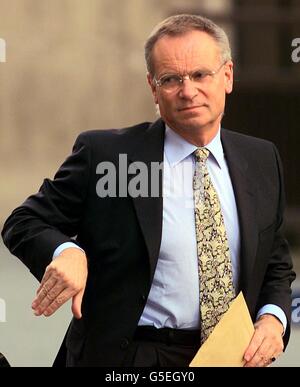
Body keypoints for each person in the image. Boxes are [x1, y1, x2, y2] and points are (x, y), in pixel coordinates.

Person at [1, 14, 295, 367]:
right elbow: (24, 221)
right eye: (171, 79)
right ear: (153, 88)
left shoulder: (261, 158)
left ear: (228, 76)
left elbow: (274, 259)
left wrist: (273, 317)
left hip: (229, 357)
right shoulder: (109, 157)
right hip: (132, 358)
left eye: (201, 74)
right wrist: (67, 251)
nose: (188, 91)